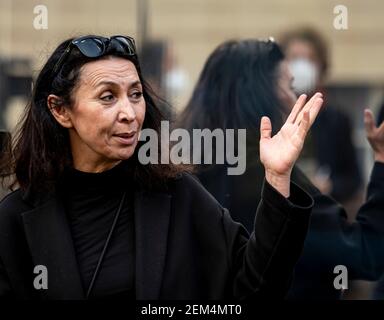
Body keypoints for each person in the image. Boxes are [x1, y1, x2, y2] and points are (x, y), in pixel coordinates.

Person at [0, 35, 322, 299]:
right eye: (107, 97)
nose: (129, 112)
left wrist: (277, 177)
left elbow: (254, 289)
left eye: (135, 94)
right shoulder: (15, 220)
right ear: (60, 110)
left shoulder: (177, 194)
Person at [177, 39, 384, 300]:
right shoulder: (273, 177)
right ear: (262, 94)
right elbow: (366, 253)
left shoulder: (182, 166)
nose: (296, 97)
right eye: (289, 84)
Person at [279, 27, 363, 209]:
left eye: (309, 59)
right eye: (295, 58)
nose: (302, 66)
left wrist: (331, 185)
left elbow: (353, 179)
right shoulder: (270, 117)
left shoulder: (337, 120)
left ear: (321, 67)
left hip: (323, 215)